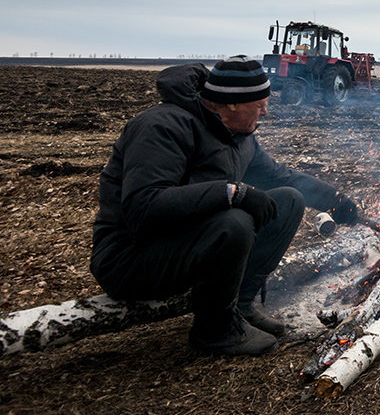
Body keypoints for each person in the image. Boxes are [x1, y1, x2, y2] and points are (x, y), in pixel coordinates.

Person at [90, 56, 359, 356]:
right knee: (234, 222)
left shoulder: (239, 137)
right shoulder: (161, 126)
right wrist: (231, 192)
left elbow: (282, 177)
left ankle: (240, 307)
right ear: (231, 104)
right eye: (258, 105)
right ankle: (214, 330)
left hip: (183, 245)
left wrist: (336, 202)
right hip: (131, 258)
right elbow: (144, 207)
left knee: (287, 200)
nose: (266, 112)